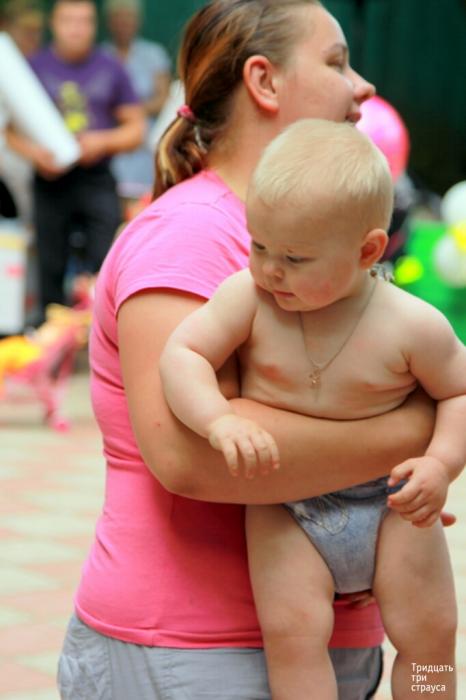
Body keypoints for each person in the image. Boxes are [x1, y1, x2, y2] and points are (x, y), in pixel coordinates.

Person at [57, 2, 439, 699]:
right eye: (336, 62)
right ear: (264, 81)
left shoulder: (322, 247)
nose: (363, 86)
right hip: (198, 651)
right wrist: (418, 435)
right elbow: (189, 455)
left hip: (312, 644)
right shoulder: (192, 236)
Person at [160, 118, 465, 699]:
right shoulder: (248, 299)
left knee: (430, 636)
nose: (271, 269)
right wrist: (216, 418)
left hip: (393, 502)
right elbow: (183, 353)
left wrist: (441, 464)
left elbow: (459, 391)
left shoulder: (410, 324)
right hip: (286, 503)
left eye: (295, 258)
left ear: (367, 250)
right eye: (259, 245)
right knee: (293, 637)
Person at [8, 0, 144, 320]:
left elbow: (136, 129)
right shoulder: (32, 68)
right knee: (50, 267)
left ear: (94, 25)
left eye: (84, 21)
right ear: (53, 24)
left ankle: (103, 332)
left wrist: (102, 141)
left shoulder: (111, 67)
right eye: (68, 20)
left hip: (97, 178)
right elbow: (9, 131)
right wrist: (35, 154)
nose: (76, 29)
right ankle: (50, 336)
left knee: (106, 262)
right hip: (50, 179)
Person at [103, 0, 172, 198]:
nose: (123, 23)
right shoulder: (101, 56)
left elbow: (164, 99)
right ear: (109, 22)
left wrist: (131, 112)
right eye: (118, 18)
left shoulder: (153, 54)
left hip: (145, 145)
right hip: (110, 142)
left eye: (128, 18)